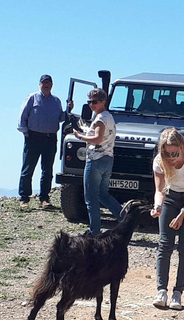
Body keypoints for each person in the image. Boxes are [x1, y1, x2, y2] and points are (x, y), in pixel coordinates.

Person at [151, 127, 184, 310]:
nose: (172, 157)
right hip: (170, 197)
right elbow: (160, 190)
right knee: (165, 243)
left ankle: (178, 293)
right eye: (167, 153)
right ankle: (161, 290)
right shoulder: (160, 161)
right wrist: (157, 206)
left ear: (182, 148)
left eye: (175, 153)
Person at [17, 74, 73, 209]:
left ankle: (44, 198)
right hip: (33, 137)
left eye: (48, 83)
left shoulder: (56, 101)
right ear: (39, 84)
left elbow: (61, 118)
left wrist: (68, 110)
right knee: (28, 168)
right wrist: (25, 132)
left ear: (52, 85)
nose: (46, 85)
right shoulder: (32, 98)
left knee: (47, 170)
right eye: (44, 83)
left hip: (50, 138)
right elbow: (22, 116)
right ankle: (24, 198)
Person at [73, 88, 122, 235]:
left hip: (95, 160)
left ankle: (94, 230)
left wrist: (80, 136)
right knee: (103, 194)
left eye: (94, 102)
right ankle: (126, 219)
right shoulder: (108, 117)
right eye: (89, 102)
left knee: (91, 197)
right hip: (108, 159)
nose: (91, 105)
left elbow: (97, 139)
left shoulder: (100, 119)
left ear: (103, 102)